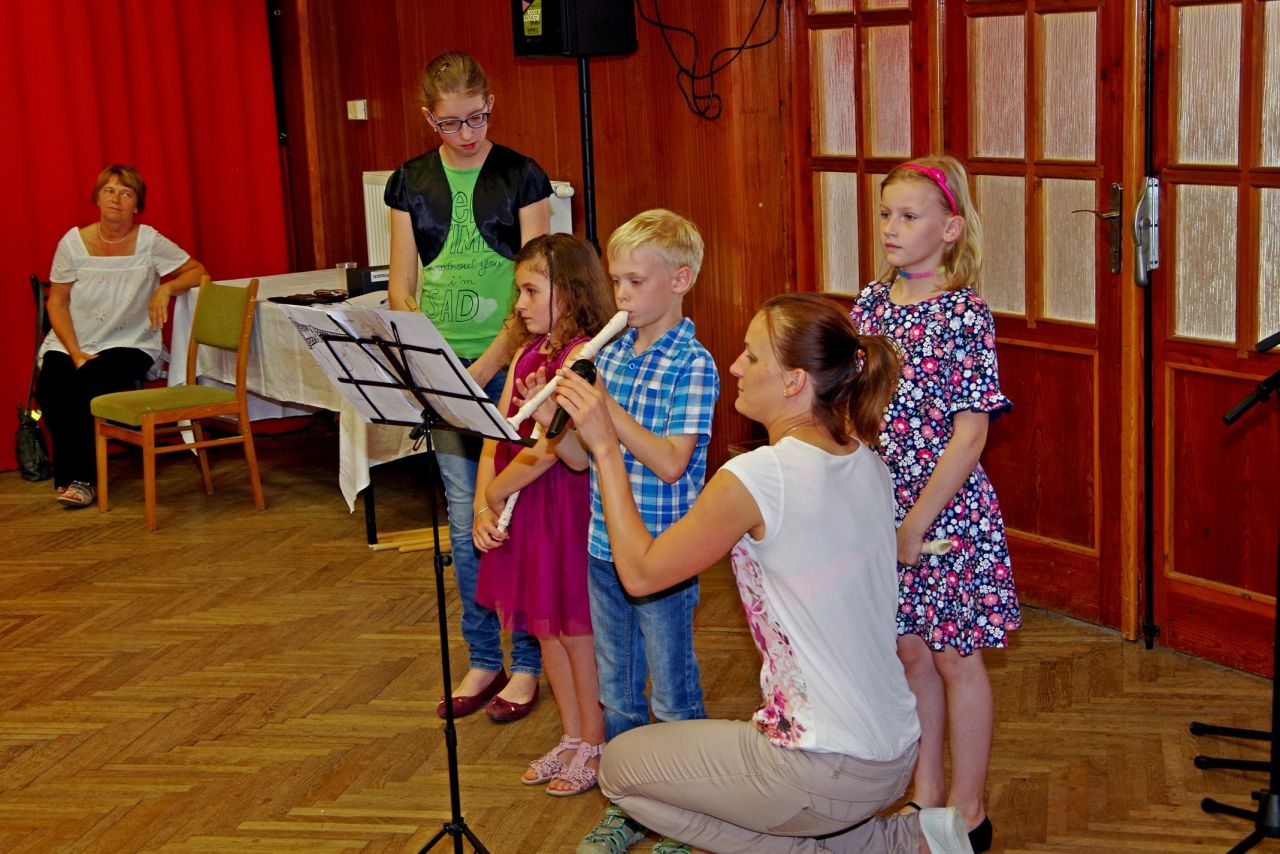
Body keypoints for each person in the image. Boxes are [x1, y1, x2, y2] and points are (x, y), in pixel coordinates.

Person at [554, 292, 975, 854]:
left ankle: (889, 845)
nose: (735, 367)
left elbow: (640, 574)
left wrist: (606, 447)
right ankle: (903, 838)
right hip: (896, 752)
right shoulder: (867, 461)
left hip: (826, 765)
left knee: (621, 770)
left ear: (795, 381)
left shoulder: (759, 476)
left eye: (752, 357)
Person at [850, 155, 1021, 854]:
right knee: (909, 653)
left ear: (950, 229)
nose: (891, 227)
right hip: (881, 508)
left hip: (945, 515)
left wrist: (916, 522)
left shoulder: (962, 314)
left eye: (909, 216)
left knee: (955, 657)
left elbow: (970, 433)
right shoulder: (869, 304)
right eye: (886, 214)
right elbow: (855, 410)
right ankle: (926, 795)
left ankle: (970, 811)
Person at [384, 50, 552, 721]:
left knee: (514, 514)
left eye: (477, 118)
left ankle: (529, 663)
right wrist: (429, 364)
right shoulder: (409, 181)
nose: (466, 134)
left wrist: (485, 368)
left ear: (490, 105)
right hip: (443, 368)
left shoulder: (522, 175)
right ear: (428, 117)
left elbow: (537, 284)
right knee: (464, 521)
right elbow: (401, 285)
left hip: (512, 365)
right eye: (450, 123)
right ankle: (484, 657)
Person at [546, 210, 719, 854]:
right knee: (617, 692)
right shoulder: (611, 354)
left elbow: (672, 462)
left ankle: (690, 814)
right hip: (603, 549)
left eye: (634, 282)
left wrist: (606, 411)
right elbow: (578, 459)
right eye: (615, 281)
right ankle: (630, 804)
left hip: (665, 555)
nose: (620, 296)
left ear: (680, 280)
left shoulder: (693, 364)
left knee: (673, 694)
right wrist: (560, 413)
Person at [472, 234, 615, 793]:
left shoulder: (584, 358)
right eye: (519, 292)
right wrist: (482, 502)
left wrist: (496, 493)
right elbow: (496, 434)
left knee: (575, 631)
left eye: (532, 291)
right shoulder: (525, 355)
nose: (521, 304)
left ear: (571, 291)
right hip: (524, 509)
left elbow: (551, 449)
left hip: (562, 510)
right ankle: (571, 734)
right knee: (544, 629)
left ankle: (596, 741)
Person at [36, 164, 208, 508]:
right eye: (110, 191)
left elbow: (198, 272)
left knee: (86, 386)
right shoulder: (73, 242)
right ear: (97, 198)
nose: (116, 199)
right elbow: (57, 302)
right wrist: (75, 352)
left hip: (130, 341)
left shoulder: (149, 241)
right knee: (51, 388)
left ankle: (82, 480)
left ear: (137, 204)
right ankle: (74, 473)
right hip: (74, 340)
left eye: (126, 193)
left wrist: (166, 288)